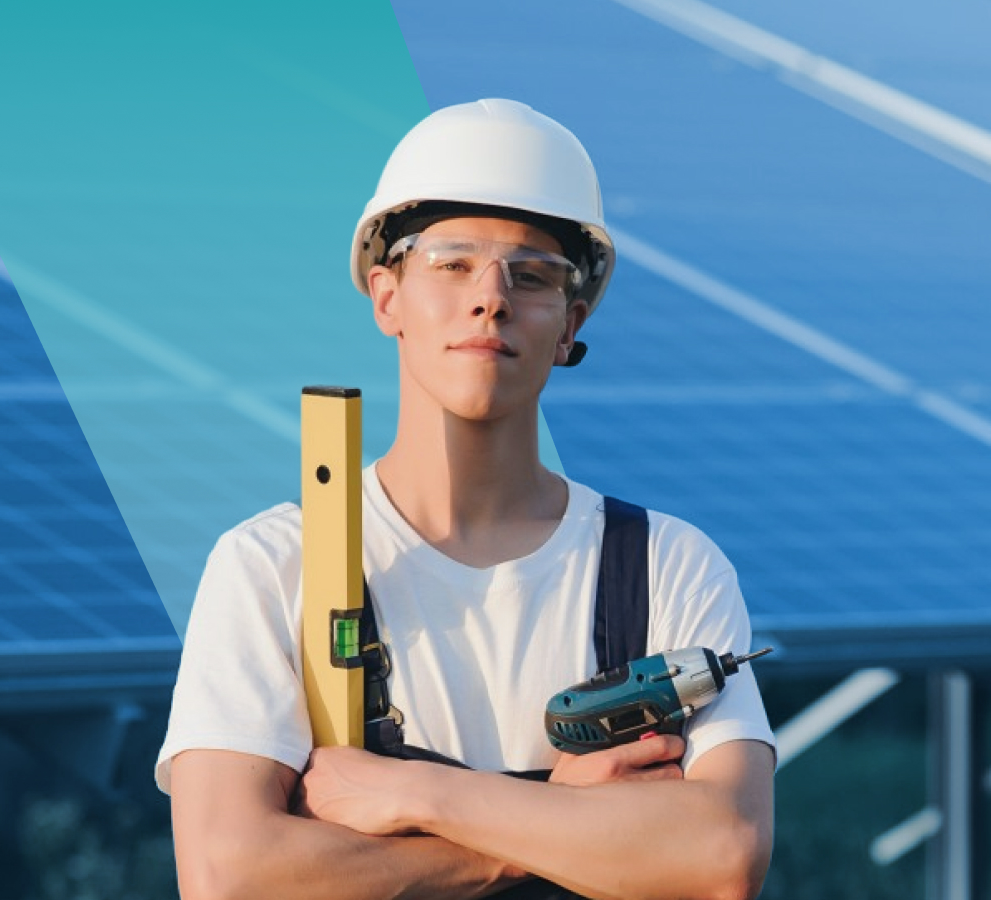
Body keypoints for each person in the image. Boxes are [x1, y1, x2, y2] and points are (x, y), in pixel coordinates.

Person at [157, 98, 776, 900]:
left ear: (570, 323)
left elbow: (721, 857)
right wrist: (548, 828)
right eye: (452, 264)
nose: (491, 297)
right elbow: (229, 875)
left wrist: (418, 797)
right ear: (387, 298)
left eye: (534, 275)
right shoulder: (276, 565)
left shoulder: (667, 566)